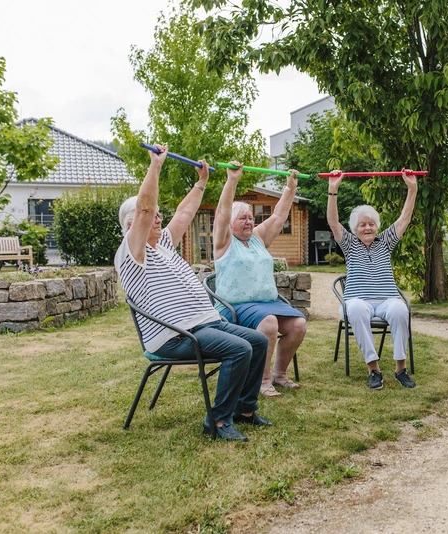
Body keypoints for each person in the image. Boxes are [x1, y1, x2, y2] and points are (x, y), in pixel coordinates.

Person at [114, 145, 270, 442]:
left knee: (258, 341)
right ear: (131, 225)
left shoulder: (165, 245)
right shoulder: (132, 252)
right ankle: (218, 421)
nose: (157, 218)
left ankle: (244, 410)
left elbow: (184, 213)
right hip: (174, 335)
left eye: (160, 215)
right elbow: (145, 208)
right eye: (151, 217)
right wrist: (155, 166)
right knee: (240, 349)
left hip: (205, 323)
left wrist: (201, 182)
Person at [212, 163, 307, 398]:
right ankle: (262, 381)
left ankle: (279, 374)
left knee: (298, 325)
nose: (249, 222)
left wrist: (290, 188)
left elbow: (279, 215)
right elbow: (222, 214)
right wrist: (232, 180)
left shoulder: (257, 238)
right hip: (235, 306)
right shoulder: (224, 242)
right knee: (269, 323)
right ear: (231, 224)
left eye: (250, 218)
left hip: (266, 303)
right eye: (242, 218)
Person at [327, 169, 418, 390]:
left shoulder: (385, 241)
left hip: (387, 299)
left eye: (371, 224)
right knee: (354, 309)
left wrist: (412, 188)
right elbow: (332, 221)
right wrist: (333, 189)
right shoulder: (348, 244)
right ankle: (374, 369)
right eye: (362, 224)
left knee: (399, 310)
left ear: (377, 226)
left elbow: (405, 218)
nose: (367, 227)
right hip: (359, 300)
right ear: (355, 229)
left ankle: (400, 369)